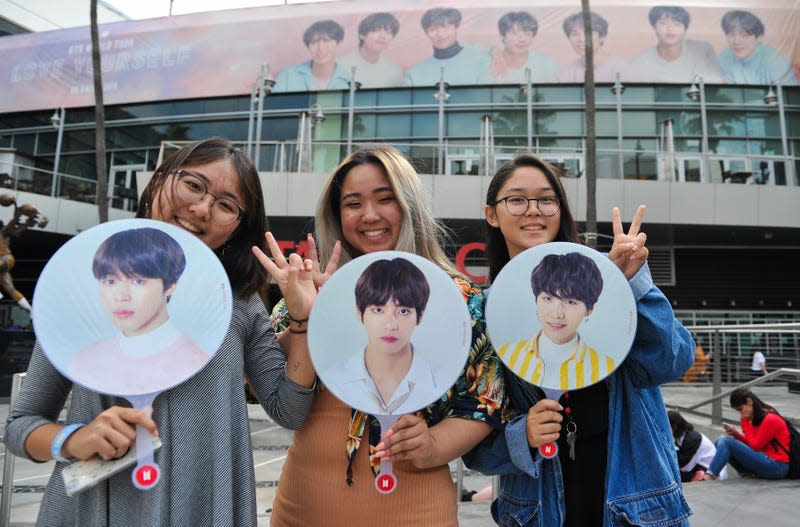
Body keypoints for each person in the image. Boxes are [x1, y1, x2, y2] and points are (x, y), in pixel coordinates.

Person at [4, 137, 316, 526]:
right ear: (158, 182)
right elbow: (21, 425)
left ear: (237, 228)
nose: (201, 208)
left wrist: (303, 323)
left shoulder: (239, 303)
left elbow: (289, 409)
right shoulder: (84, 288)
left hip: (204, 509)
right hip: (95, 510)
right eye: (193, 185)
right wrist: (72, 439)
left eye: (225, 205)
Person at [254, 145, 504, 525]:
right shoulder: (310, 290)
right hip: (301, 508)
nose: (369, 215)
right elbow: (272, 395)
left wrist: (433, 446)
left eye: (385, 199)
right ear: (337, 215)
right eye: (353, 203)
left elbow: (485, 401)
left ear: (409, 205)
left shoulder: (460, 299)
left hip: (416, 512)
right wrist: (306, 320)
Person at [463, 154, 694, 526]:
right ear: (492, 214)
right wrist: (522, 435)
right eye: (517, 199)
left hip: (634, 507)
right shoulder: (484, 314)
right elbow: (474, 446)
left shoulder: (607, 281)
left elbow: (673, 361)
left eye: (546, 199)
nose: (533, 211)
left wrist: (628, 286)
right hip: (537, 511)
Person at [68, 227, 209, 395]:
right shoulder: (85, 359)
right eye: (110, 281)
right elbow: (29, 413)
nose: (121, 296)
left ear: (171, 285)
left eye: (138, 281)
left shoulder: (196, 359)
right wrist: (84, 424)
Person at [323, 257, 450, 415]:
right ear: (359, 312)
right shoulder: (334, 377)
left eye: (403, 311)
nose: (391, 325)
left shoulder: (442, 380)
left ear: (420, 316)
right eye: (378, 310)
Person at [497, 252, 614, 390]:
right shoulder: (508, 354)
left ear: (590, 309)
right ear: (536, 300)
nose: (557, 314)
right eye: (548, 299)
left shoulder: (604, 365)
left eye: (570, 302)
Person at [703, 388, 790, 480]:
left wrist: (745, 422)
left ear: (749, 401)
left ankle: (710, 476)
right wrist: (737, 435)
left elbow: (756, 446)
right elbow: (753, 444)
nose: (741, 413)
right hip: (766, 460)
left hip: (778, 467)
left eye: (740, 409)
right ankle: (745, 473)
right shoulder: (757, 418)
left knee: (726, 442)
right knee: (719, 441)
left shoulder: (770, 419)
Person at [631, 6, 724, 84]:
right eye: (663, 23)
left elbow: (718, 88)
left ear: (685, 28)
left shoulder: (703, 50)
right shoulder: (640, 63)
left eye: (677, 24)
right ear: (654, 27)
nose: (670, 28)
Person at [404, 7, 488, 86]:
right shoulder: (414, 73)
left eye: (445, 27)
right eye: (433, 29)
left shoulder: (481, 61)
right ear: (427, 33)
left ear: (456, 27)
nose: (440, 34)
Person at [719, 10, 797, 85]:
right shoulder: (725, 55)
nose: (736, 41)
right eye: (731, 34)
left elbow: (790, 95)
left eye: (745, 35)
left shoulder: (777, 62)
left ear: (759, 37)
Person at [273, 19, 351, 92]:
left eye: (326, 41)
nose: (321, 48)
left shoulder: (350, 82)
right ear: (308, 46)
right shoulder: (287, 76)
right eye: (314, 42)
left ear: (338, 42)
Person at [482, 11, 559, 84]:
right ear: (502, 36)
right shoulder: (487, 62)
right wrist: (495, 53)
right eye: (515, 33)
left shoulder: (547, 63)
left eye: (527, 34)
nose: (522, 39)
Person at [558, 11, 632, 83]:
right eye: (574, 34)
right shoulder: (567, 73)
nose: (581, 39)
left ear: (602, 37)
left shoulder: (621, 69)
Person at [338, 12, 404, 88]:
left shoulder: (395, 72)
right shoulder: (340, 66)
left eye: (388, 32)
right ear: (362, 35)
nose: (383, 36)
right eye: (376, 30)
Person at [668, 410, 726, 481]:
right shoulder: (681, 437)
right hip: (699, 467)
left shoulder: (692, 439)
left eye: (666, 427)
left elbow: (684, 466)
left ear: (674, 426)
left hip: (712, 473)